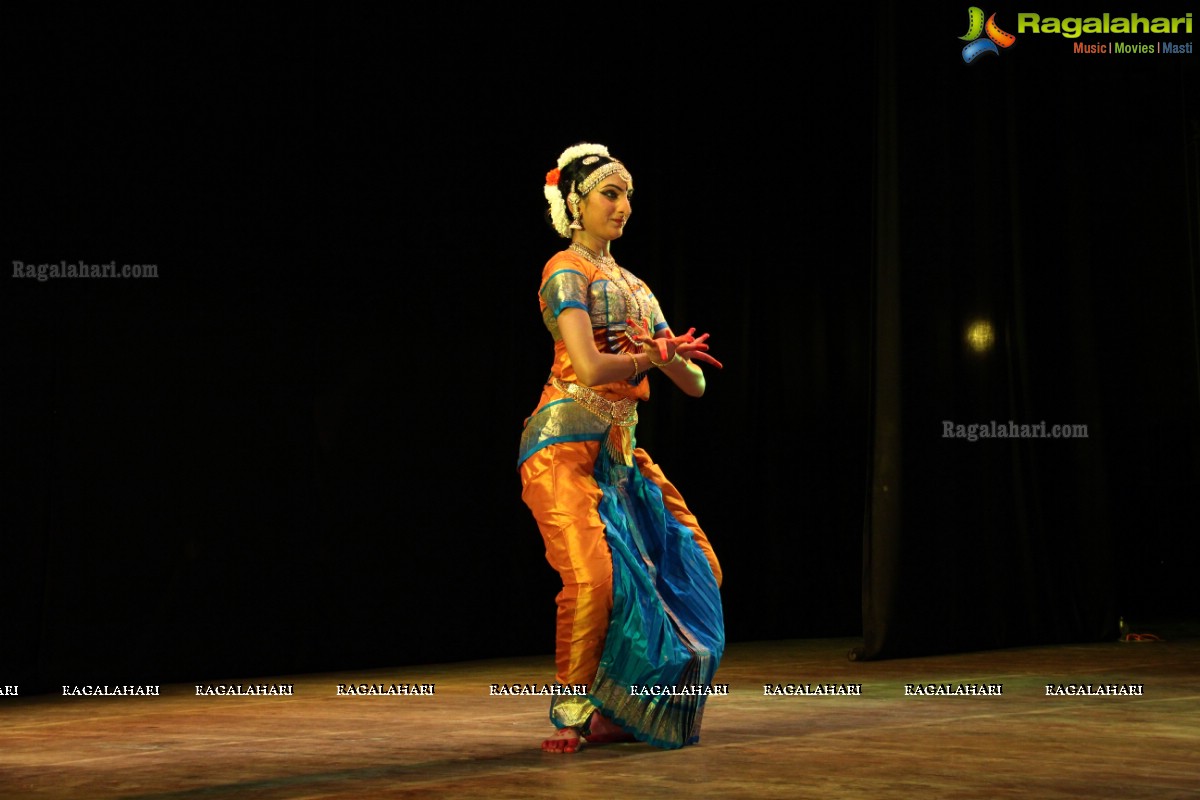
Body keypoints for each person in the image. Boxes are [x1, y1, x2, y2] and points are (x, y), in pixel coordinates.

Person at [518, 142, 725, 753]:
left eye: (628, 194)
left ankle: (626, 708)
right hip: (560, 448)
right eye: (611, 193)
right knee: (594, 580)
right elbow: (586, 364)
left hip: (621, 458)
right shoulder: (566, 269)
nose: (624, 205)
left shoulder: (636, 286)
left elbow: (695, 384)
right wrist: (647, 357)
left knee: (696, 569)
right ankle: (571, 714)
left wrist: (671, 358)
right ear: (576, 205)